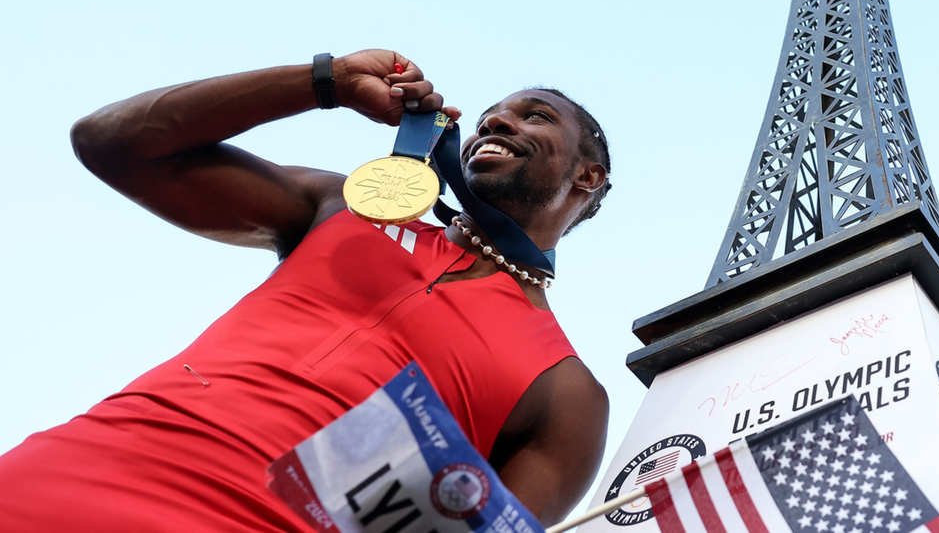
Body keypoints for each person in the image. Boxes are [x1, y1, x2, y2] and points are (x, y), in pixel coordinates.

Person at [0, 49, 612, 531]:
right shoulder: (342, 208)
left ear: (589, 176)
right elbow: (112, 144)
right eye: (490, 116)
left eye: (535, 115)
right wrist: (329, 81)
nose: (496, 121)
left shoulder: (567, 394)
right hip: (76, 477)